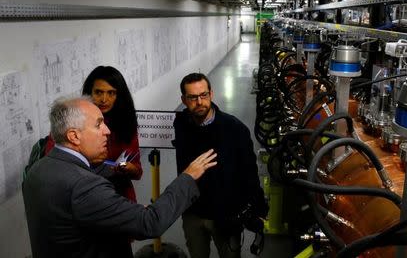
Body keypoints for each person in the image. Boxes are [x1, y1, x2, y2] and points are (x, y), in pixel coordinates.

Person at [23, 96, 217, 258]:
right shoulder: (84, 185)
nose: (107, 131)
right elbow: (150, 223)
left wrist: (121, 211)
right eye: (98, 125)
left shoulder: (38, 169)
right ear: (74, 136)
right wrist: (188, 176)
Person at [173, 73, 268, 258]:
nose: (199, 102)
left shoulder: (235, 129)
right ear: (183, 100)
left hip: (226, 214)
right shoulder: (181, 125)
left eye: (204, 95)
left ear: (211, 94)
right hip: (193, 212)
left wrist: (258, 208)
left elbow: (249, 172)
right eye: (192, 97)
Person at [45, 65, 142, 203]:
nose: (104, 99)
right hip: (82, 195)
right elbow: (54, 160)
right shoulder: (71, 120)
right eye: (98, 92)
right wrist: (88, 159)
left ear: (119, 95)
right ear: (89, 93)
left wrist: (128, 168)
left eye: (111, 93)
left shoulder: (126, 123)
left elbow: (138, 173)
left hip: (119, 195)